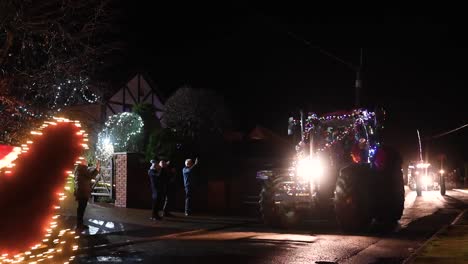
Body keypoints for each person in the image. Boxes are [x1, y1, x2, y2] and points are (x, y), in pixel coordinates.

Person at [74, 162, 99, 231]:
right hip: (82, 192)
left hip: (80, 191)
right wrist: (97, 168)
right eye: (84, 160)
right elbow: (91, 175)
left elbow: (88, 175)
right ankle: (79, 225)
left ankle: (80, 224)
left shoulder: (79, 168)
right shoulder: (82, 168)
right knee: (81, 209)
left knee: (81, 208)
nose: (86, 161)